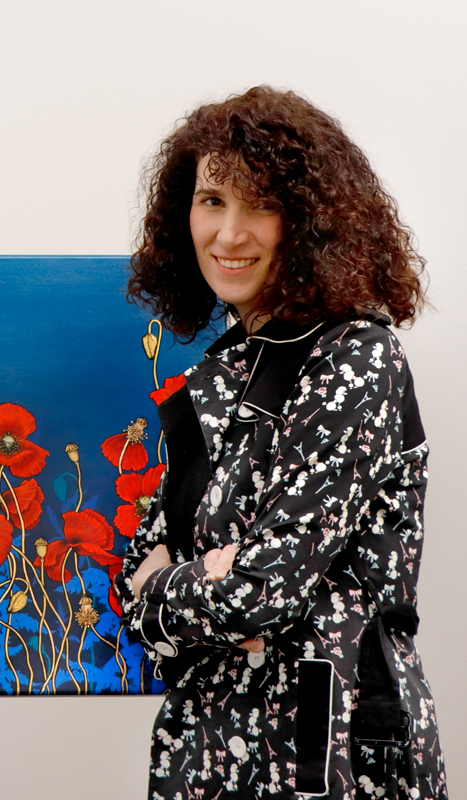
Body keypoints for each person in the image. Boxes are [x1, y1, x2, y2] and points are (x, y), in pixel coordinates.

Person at [118, 86, 448, 798]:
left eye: (259, 204)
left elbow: (261, 592)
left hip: (328, 751)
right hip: (204, 752)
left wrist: (183, 583)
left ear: (309, 221)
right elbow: (131, 591)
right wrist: (195, 582)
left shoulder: (357, 355)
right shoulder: (218, 373)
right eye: (212, 201)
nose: (229, 234)